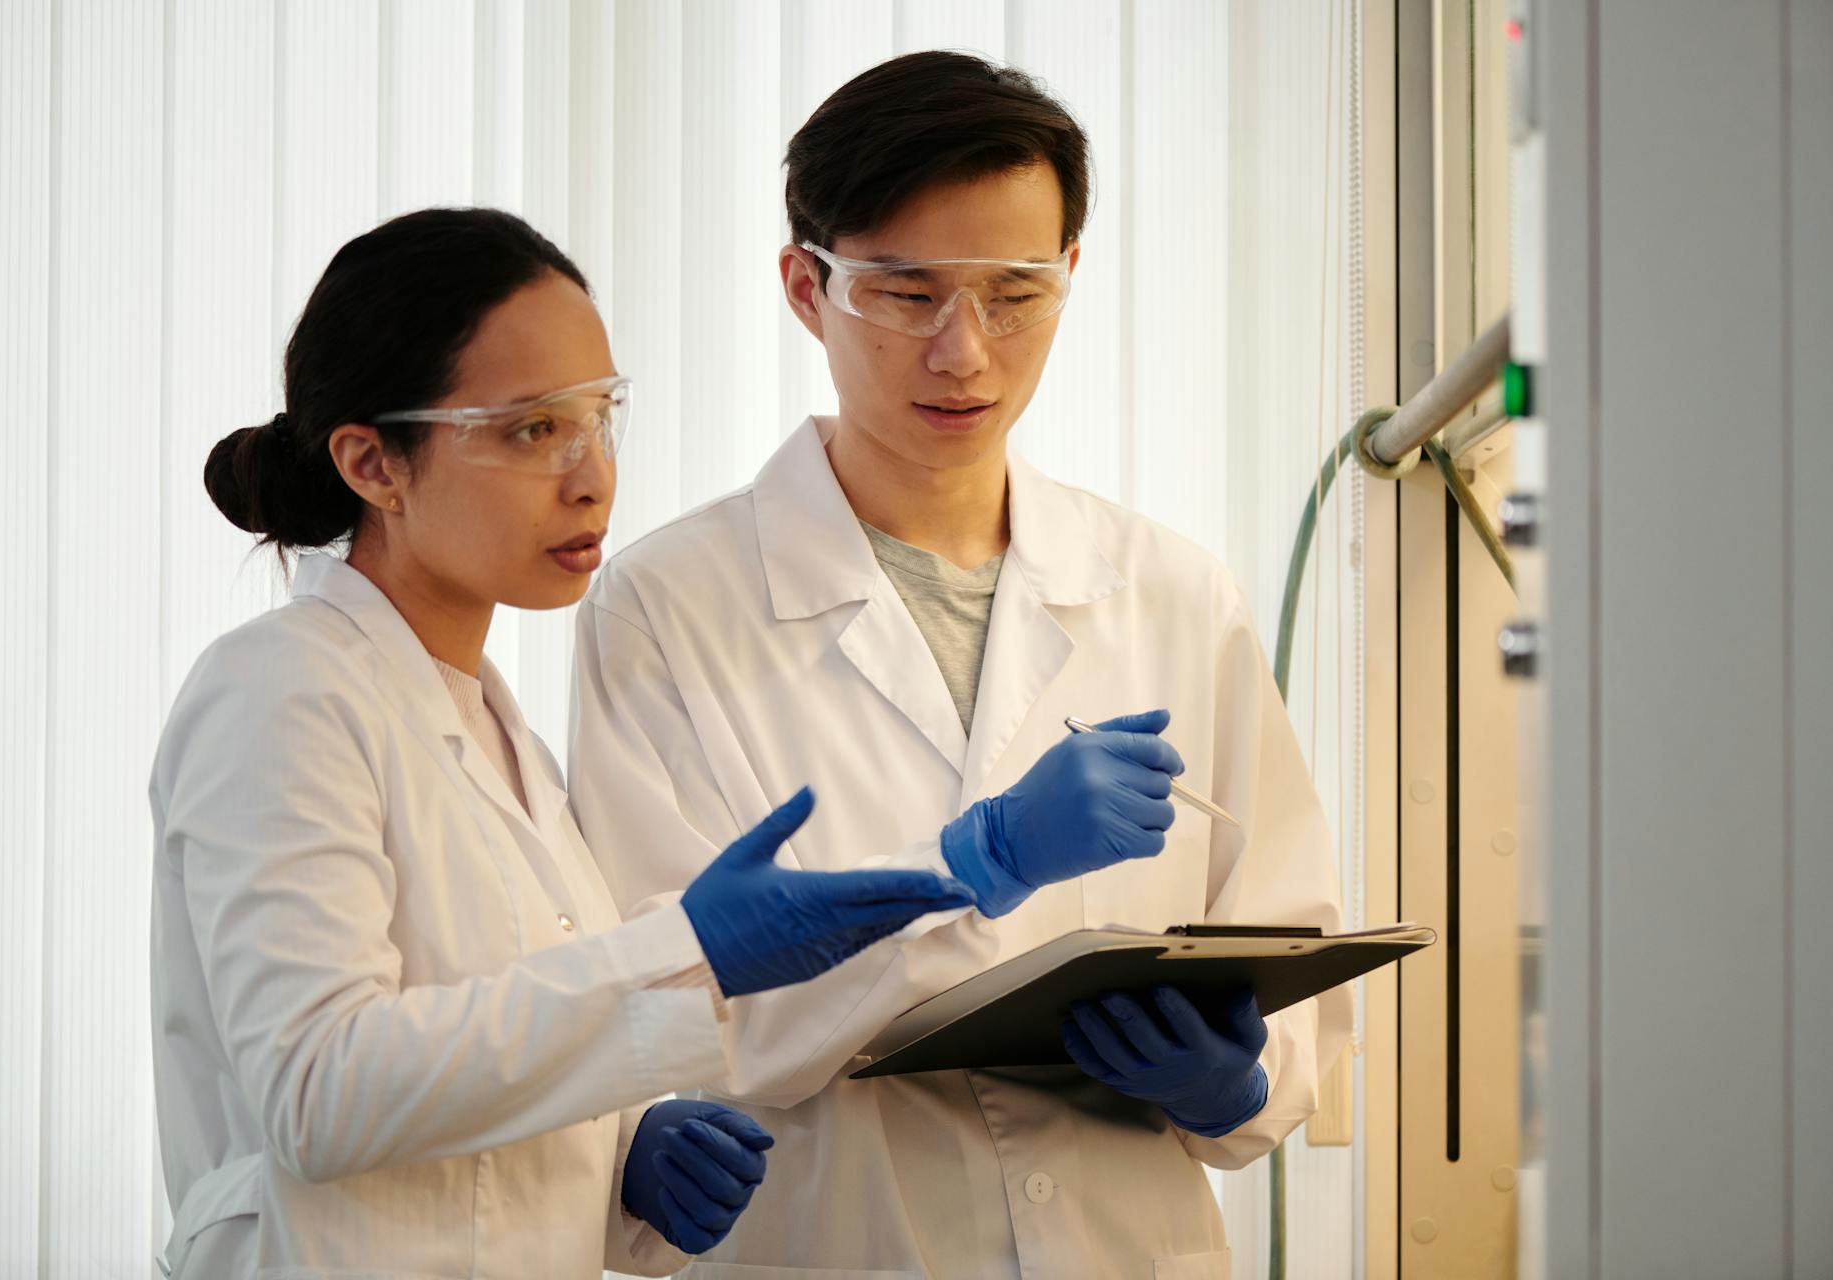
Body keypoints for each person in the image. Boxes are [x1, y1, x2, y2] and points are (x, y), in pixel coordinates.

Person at [568, 52, 1351, 1277]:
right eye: (907, 292)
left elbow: (1293, 951)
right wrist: (969, 878)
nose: (965, 353)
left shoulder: (1175, 594)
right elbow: (656, 1009)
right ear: (804, 284)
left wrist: (1232, 1081)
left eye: (1015, 292)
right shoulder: (669, 605)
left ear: (1072, 278)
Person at [150, 207, 974, 1280]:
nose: (593, 477)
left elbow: (484, 1078)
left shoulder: (503, 737)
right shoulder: (281, 689)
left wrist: (625, 1160)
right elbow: (316, 1089)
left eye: (601, 417)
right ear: (372, 462)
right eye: (532, 429)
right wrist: (687, 955)